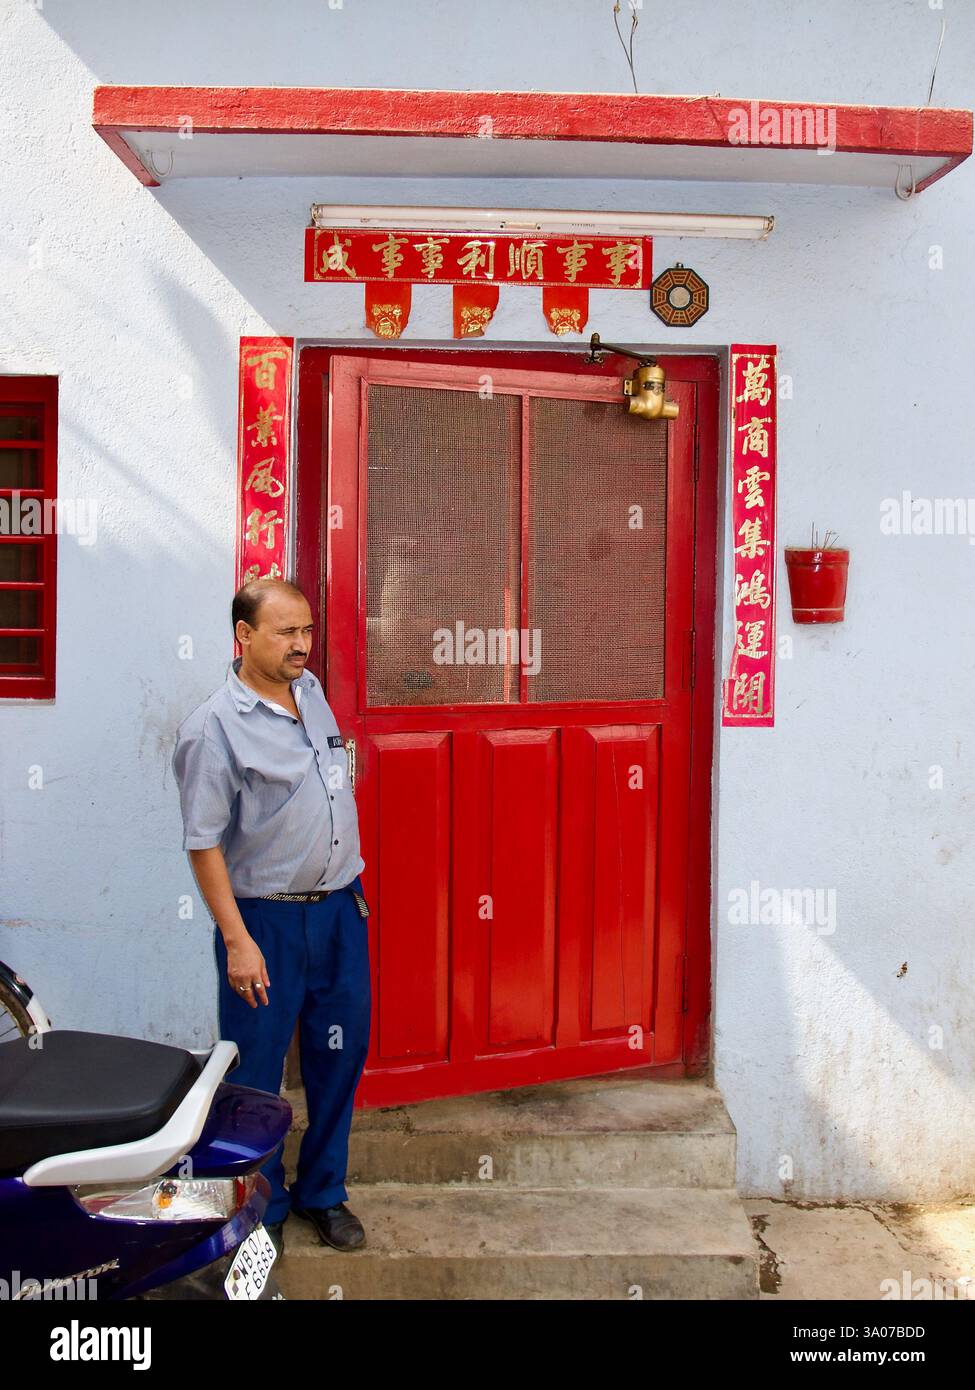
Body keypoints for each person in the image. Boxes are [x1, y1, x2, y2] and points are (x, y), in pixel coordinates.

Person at [171, 578, 371, 1257]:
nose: (301, 645)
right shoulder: (213, 728)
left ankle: (323, 1193)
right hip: (264, 923)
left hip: (340, 913)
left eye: (307, 631)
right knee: (255, 1073)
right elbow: (202, 843)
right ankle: (261, 1203)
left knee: (336, 1058)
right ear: (244, 636)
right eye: (286, 633)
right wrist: (237, 941)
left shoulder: (309, 694)